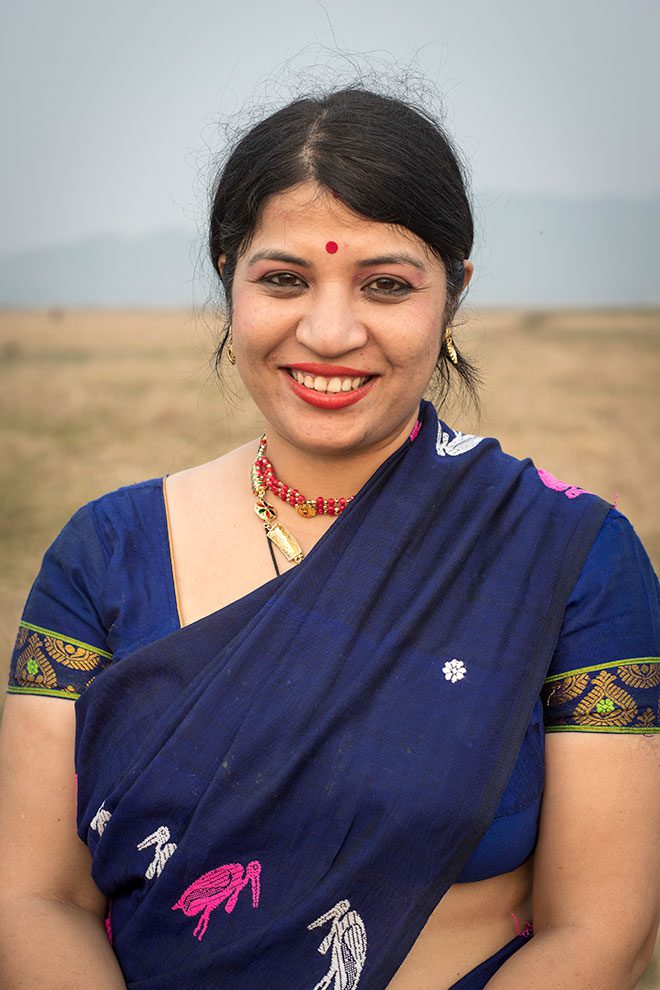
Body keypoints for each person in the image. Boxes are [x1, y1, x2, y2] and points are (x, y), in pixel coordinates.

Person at [0, 85, 658, 990]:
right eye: (283, 280)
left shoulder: (571, 556)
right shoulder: (105, 555)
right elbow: (36, 900)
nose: (331, 332)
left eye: (386, 284)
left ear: (454, 293)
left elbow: (601, 930)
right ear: (228, 275)